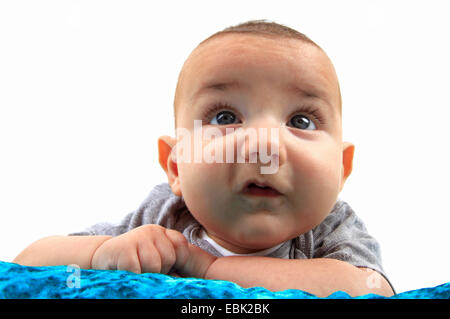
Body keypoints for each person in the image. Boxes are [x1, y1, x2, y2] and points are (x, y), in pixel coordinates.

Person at [13, 20, 395, 297]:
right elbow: (26, 263)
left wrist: (213, 269)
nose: (264, 145)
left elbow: (371, 289)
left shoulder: (330, 230)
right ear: (176, 165)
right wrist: (103, 253)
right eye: (226, 118)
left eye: (300, 120)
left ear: (342, 170)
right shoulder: (163, 216)